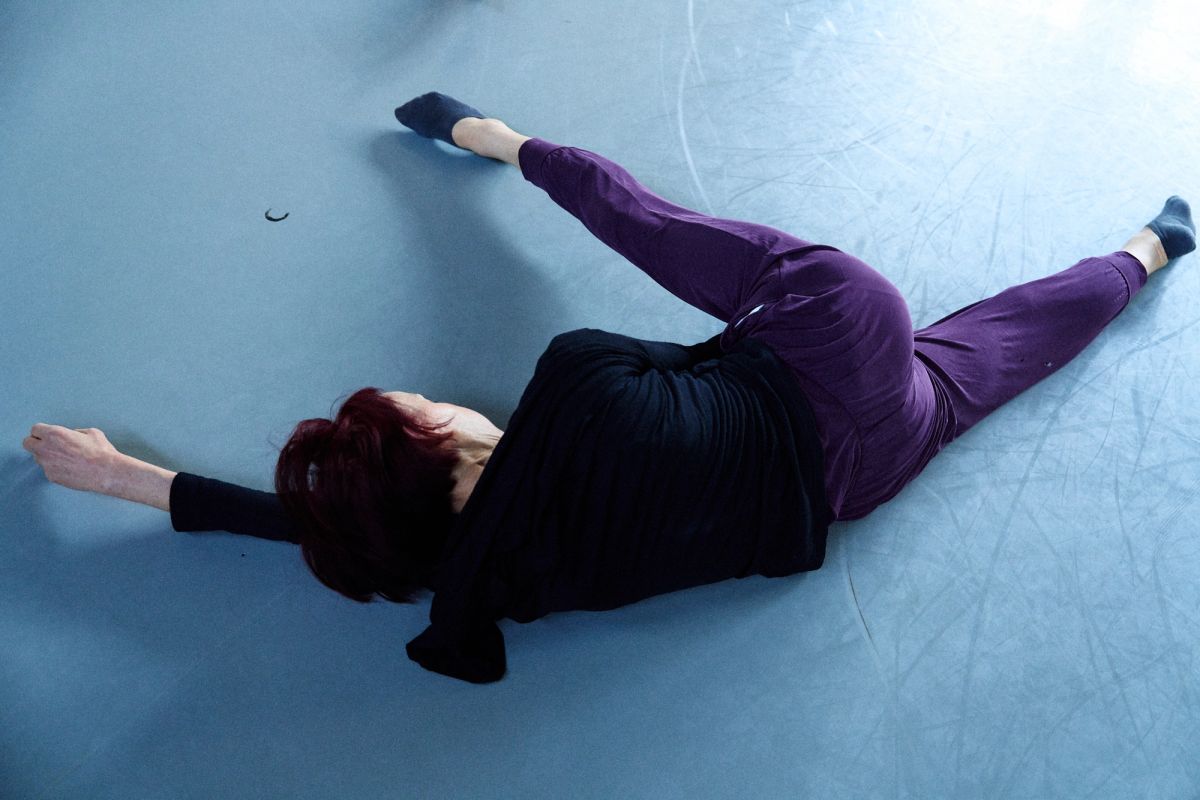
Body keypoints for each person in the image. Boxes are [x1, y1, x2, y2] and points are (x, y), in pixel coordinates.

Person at [22, 92, 1196, 683]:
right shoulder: (577, 384)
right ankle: (497, 136)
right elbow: (656, 262)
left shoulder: (468, 575)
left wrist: (127, 477)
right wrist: (515, 148)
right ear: (448, 443)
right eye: (428, 404)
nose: (435, 391)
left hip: (850, 484)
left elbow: (315, 525)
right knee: (647, 220)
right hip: (838, 326)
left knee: (998, 351)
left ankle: (1150, 251)